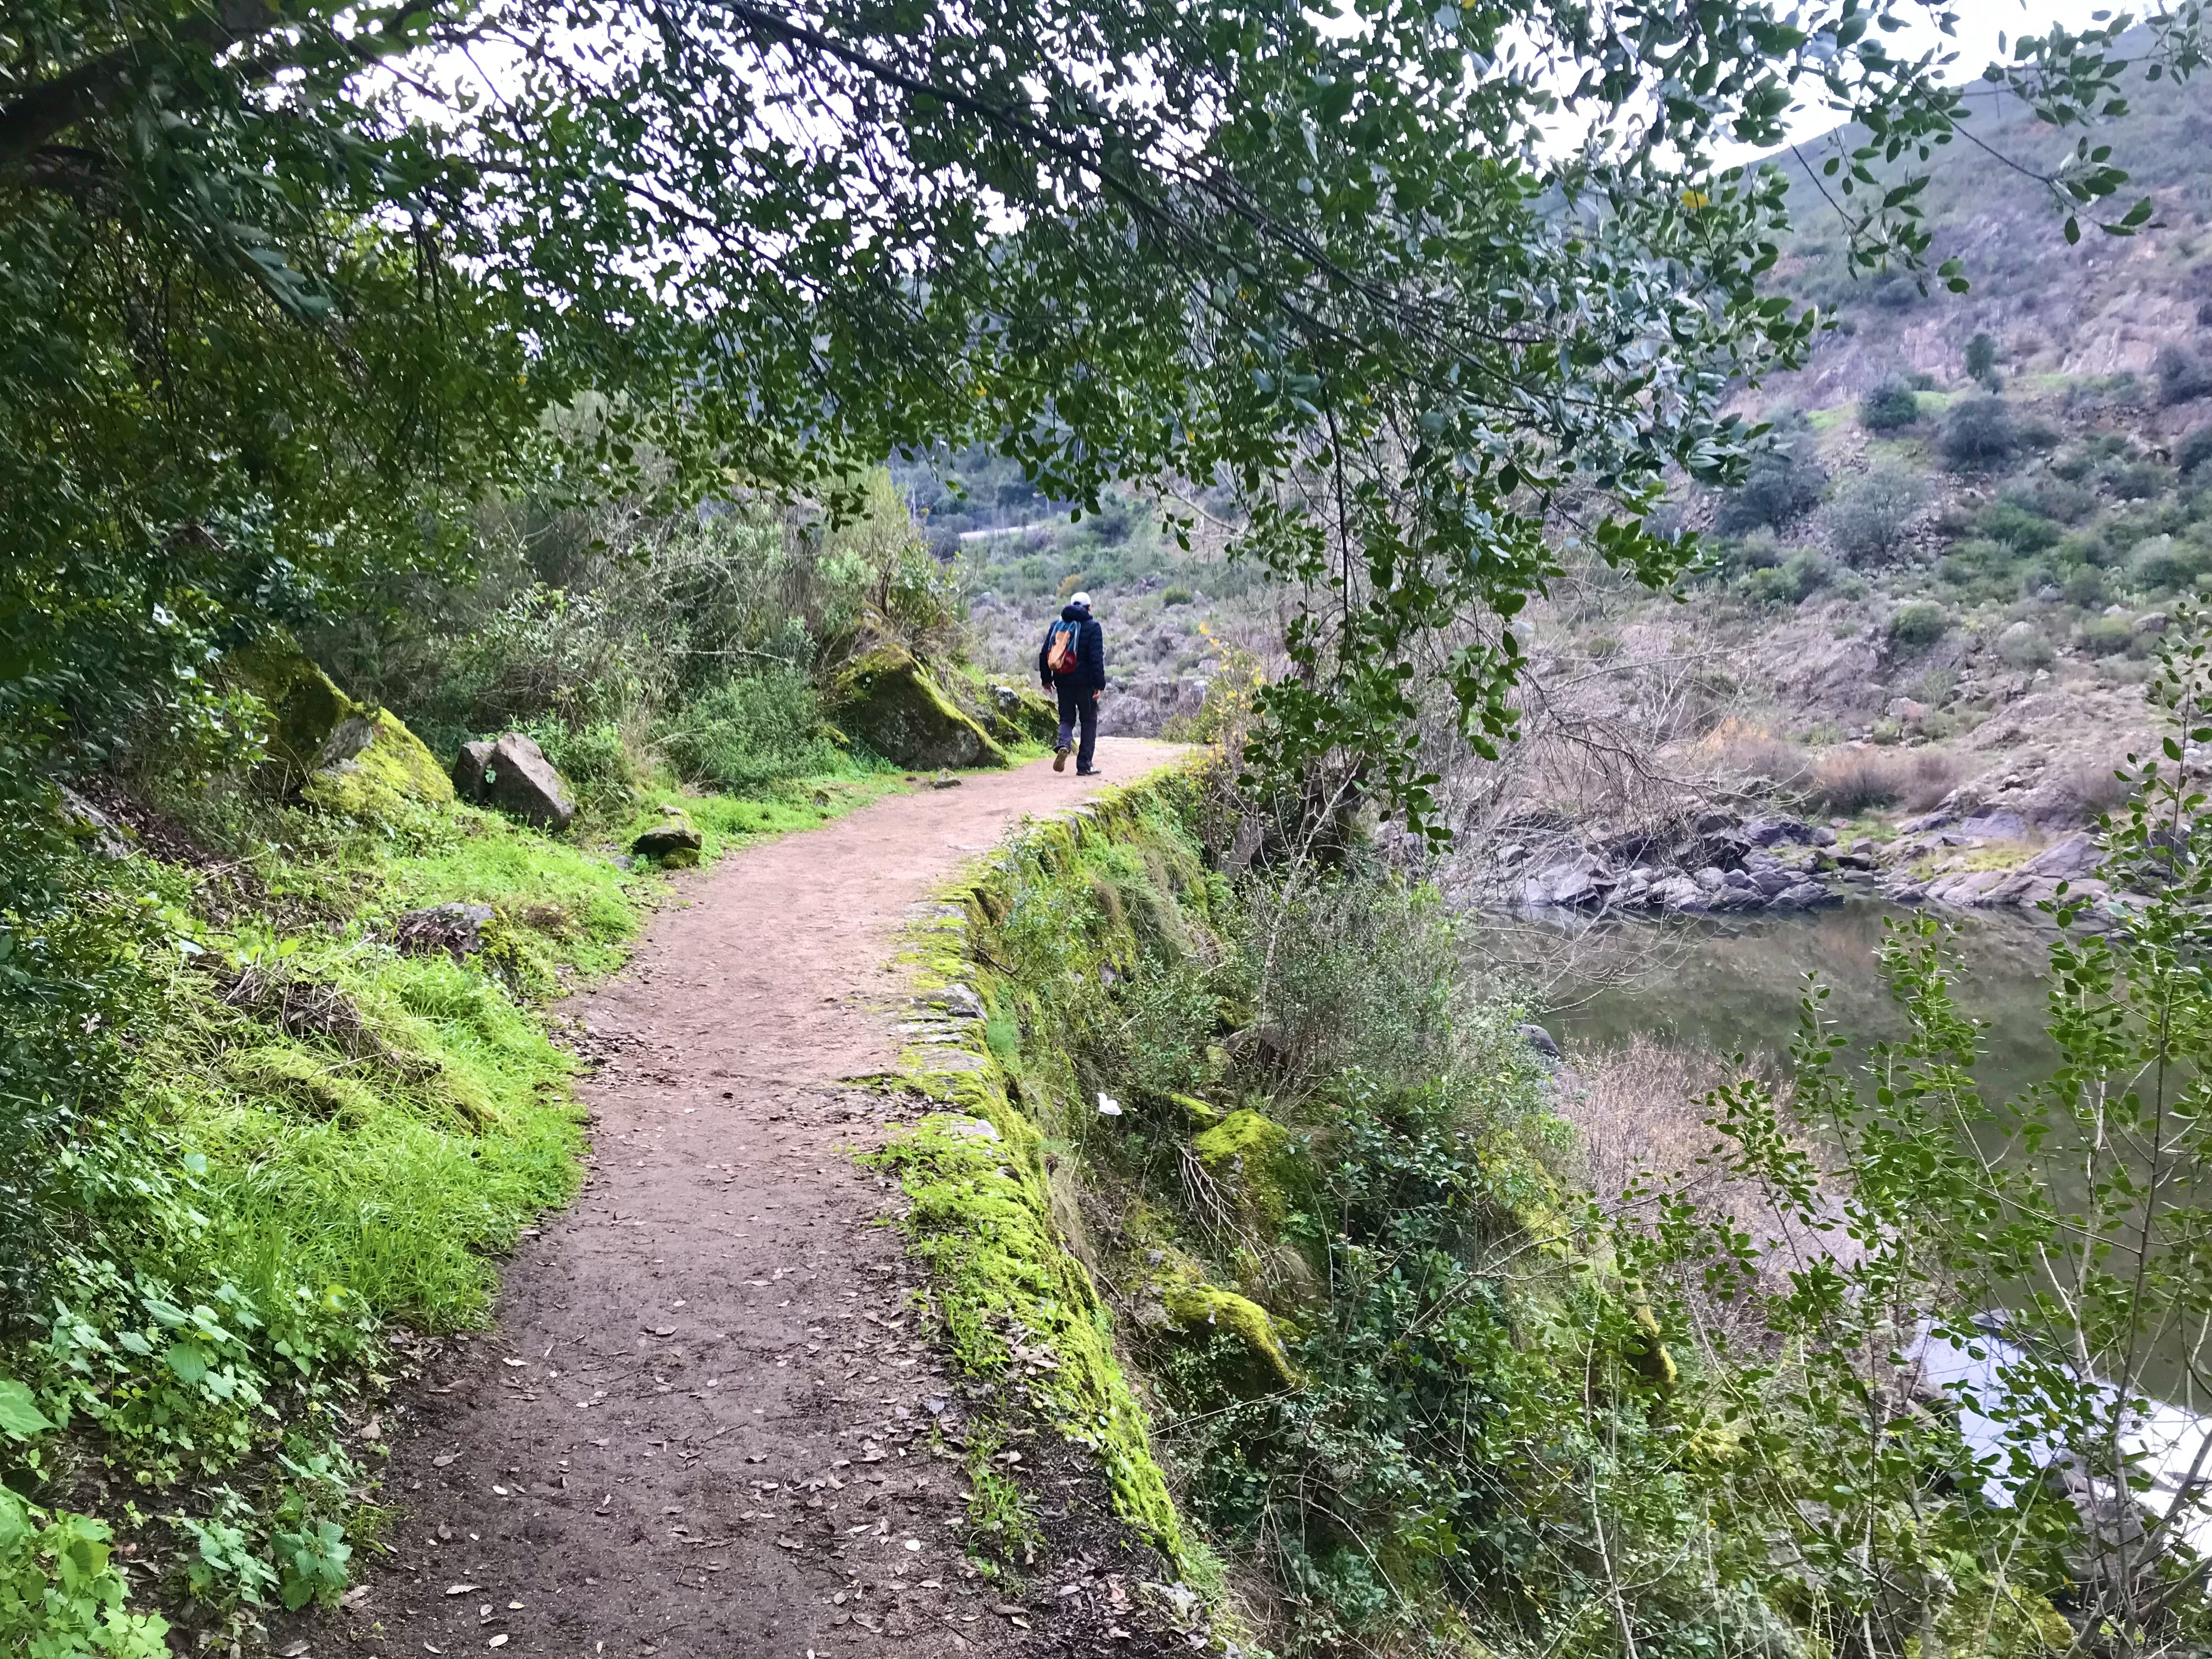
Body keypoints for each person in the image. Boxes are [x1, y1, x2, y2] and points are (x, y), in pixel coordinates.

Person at [1037, 591, 1105, 775]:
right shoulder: (1093, 627)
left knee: (1067, 718)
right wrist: (1100, 685)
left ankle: (1064, 744)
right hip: (1086, 685)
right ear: (1089, 608)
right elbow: (1096, 659)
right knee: (1088, 721)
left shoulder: (1057, 625)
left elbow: (1045, 653)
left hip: (1063, 681)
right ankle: (1084, 765)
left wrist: (1046, 679)